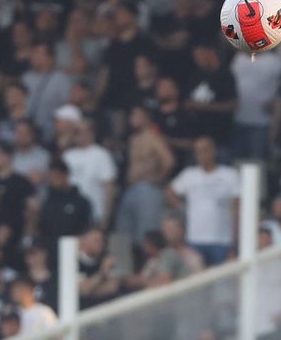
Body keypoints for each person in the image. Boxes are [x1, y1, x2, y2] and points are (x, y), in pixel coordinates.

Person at [168, 136, 239, 266]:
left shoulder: (229, 175)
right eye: (198, 151)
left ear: (213, 151)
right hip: (195, 238)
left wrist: (235, 238)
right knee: (197, 281)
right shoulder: (189, 174)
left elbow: (237, 205)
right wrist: (183, 208)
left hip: (222, 240)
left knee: (221, 281)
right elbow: (170, 192)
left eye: (204, 150)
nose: (201, 155)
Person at [115, 105, 174, 243]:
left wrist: (158, 178)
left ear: (146, 118)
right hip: (130, 188)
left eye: (136, 115)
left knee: (146, 237)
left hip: (148, 189)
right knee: (124, 235)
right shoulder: (133, 139)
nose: (132, 118)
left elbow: (169, 160)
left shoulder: (153, 137)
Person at [61, 121, 117, 226]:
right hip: (68, 213)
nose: (81, 135)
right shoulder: (67, 156)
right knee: (68, 242)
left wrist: (106, 215)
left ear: (92, 133)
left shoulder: (102, 155)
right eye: (77, 132)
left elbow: (109, 186)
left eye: (85, 131)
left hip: (94, 214)